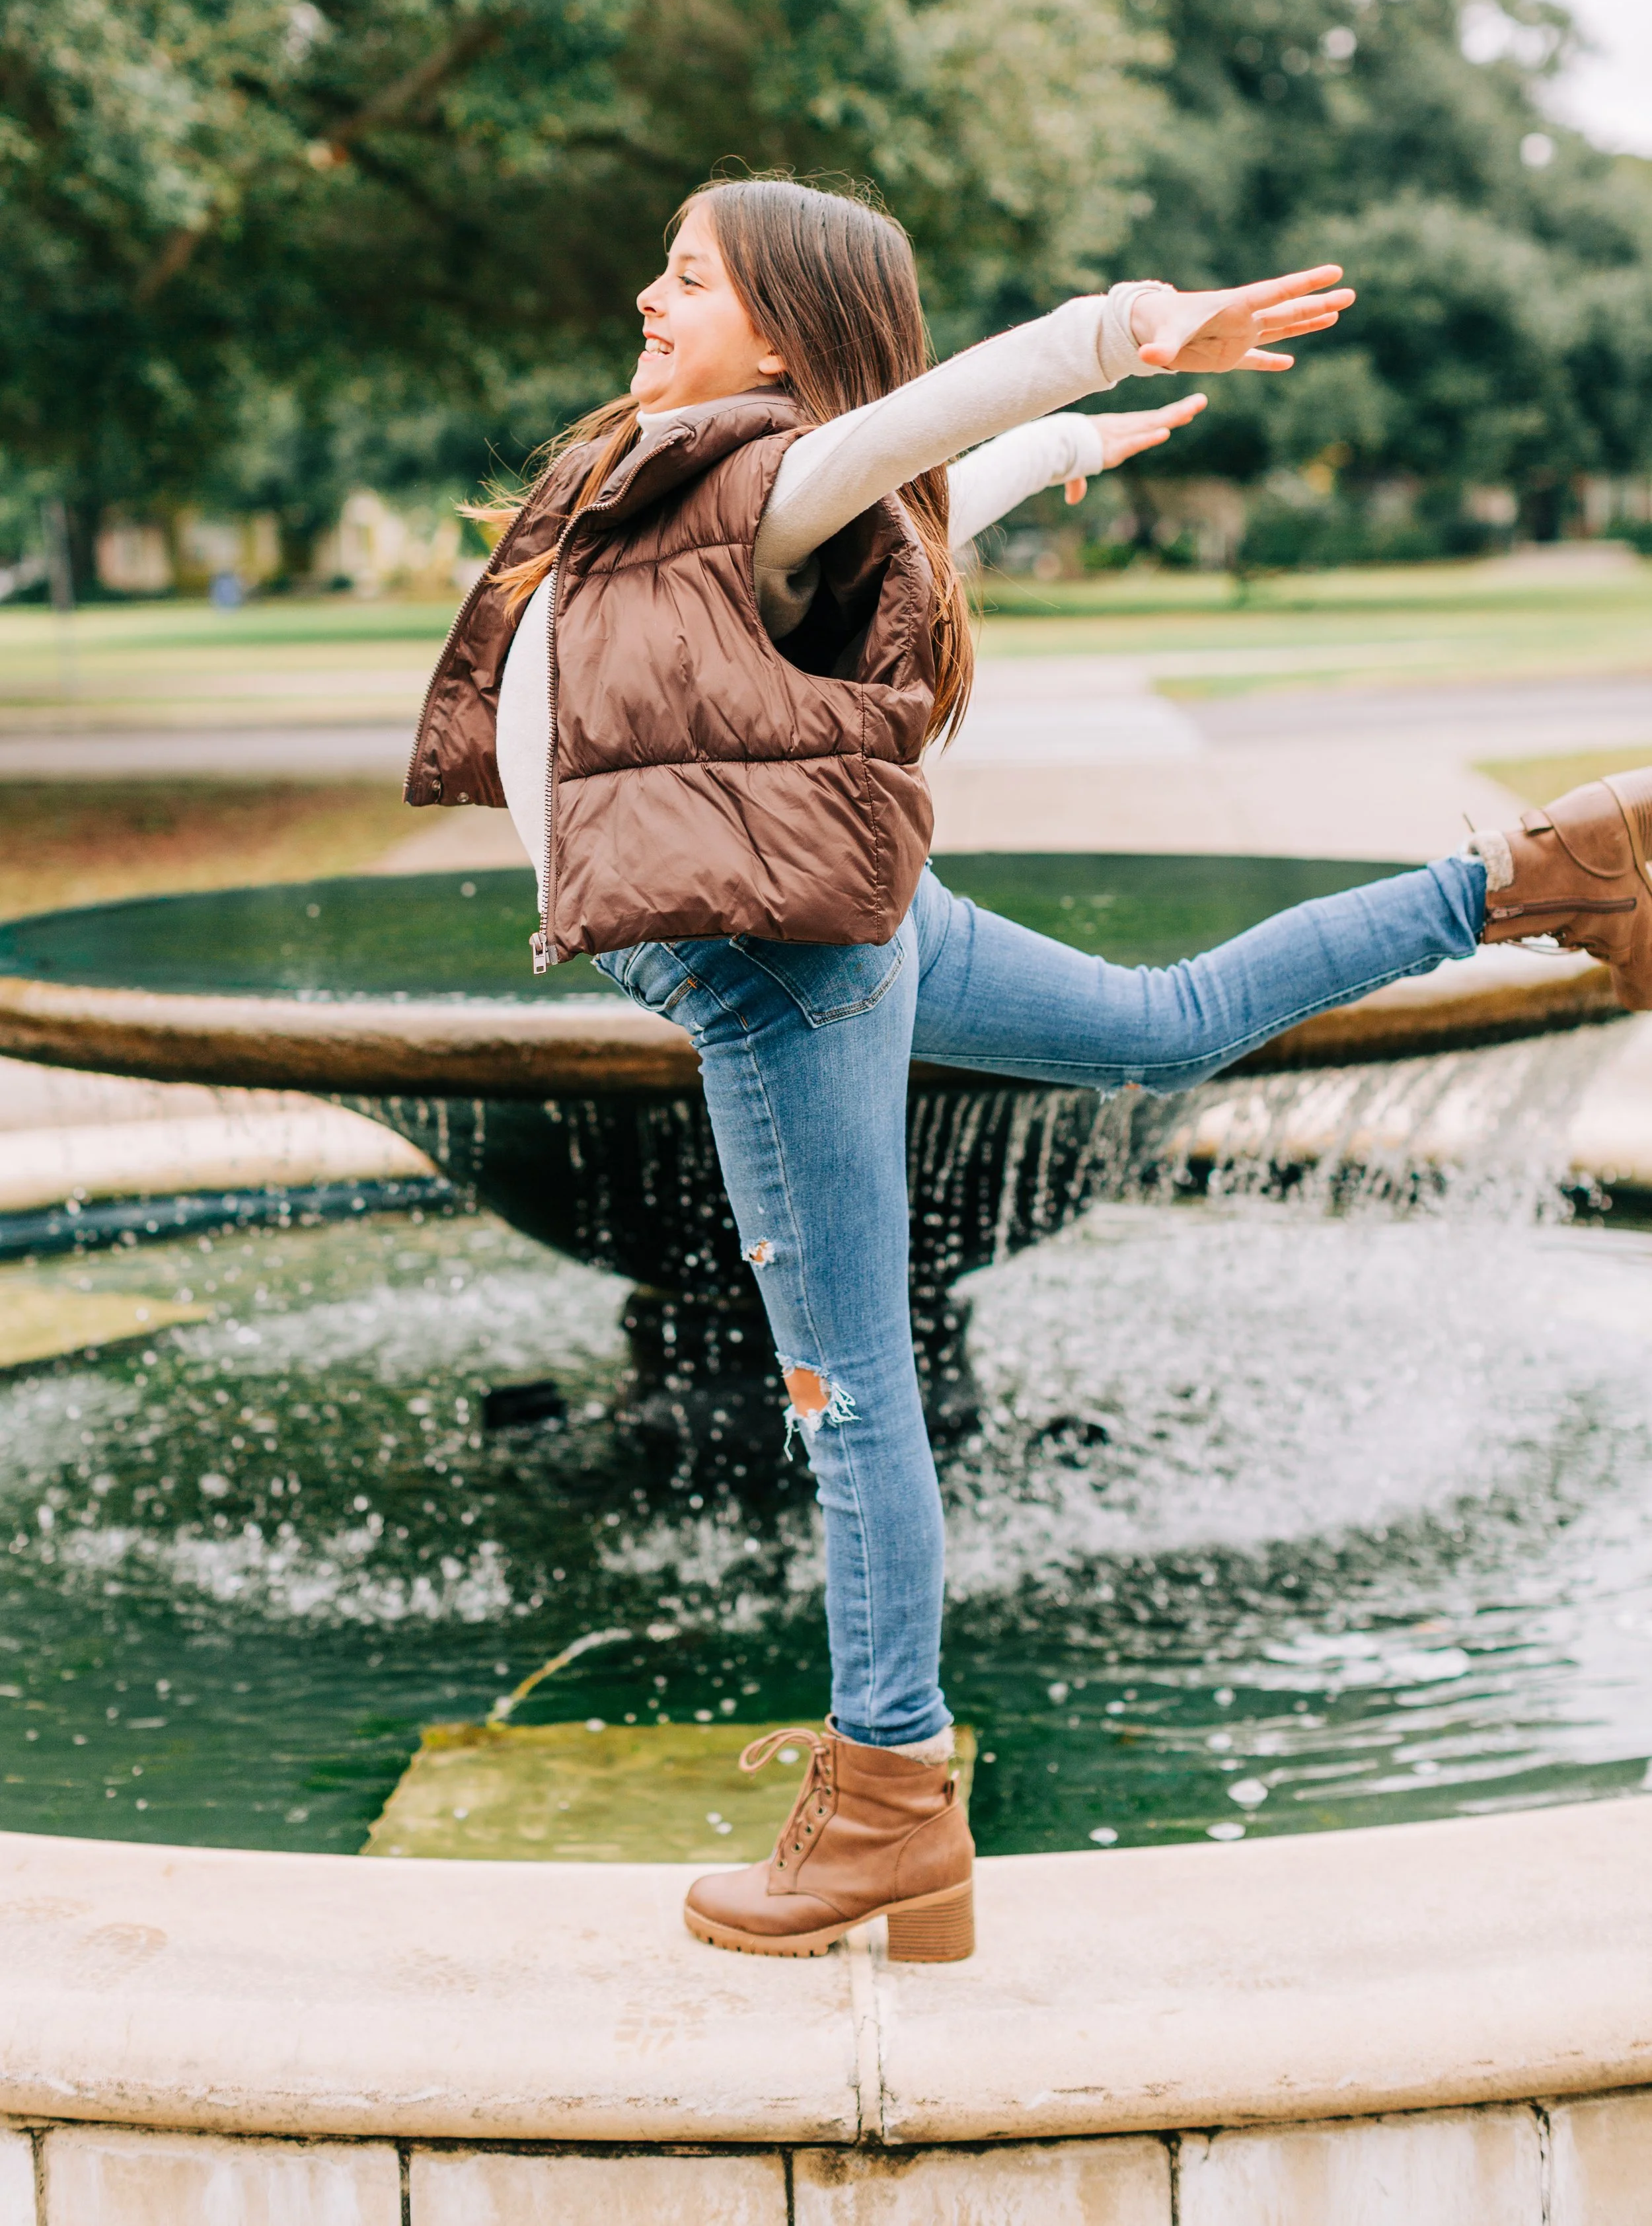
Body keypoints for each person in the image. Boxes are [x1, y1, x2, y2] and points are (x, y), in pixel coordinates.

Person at [407, 174, 1652, 1964]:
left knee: (849, 1398)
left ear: (781, 327)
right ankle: (1534, 872)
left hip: (776, 974)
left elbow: (909, 432)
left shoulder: (757, 475)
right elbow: (929, 476)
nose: (646, 297)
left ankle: (890, 1795)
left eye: (686, 277)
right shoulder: (700, 486)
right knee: (1156, 1026)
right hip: (846, 920)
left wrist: (1101, 338)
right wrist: (1070, 449)